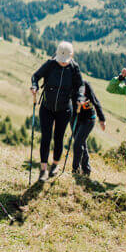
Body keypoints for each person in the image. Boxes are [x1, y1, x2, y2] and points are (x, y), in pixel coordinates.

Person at [30, 42, 84, 181]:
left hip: (64, 109)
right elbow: (35, 76)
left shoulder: (74, 68)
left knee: (59, 138)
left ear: (71, 56)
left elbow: (80, 86)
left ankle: (55, 165)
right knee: (46, 138)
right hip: (46, 107)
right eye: (60, 60)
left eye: (65, 61)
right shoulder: (50, 64)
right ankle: (43, 170)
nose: (62, 63)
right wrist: (34, 86)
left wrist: (79, 97)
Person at [72, 77, 106, 176]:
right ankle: (86, 170)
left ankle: (75, 170)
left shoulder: (84, 84)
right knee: (81, 143)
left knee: (77, 144)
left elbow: (95, 101)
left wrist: (102, 119)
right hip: (75, 118)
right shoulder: (66, 83)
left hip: (88, 119)